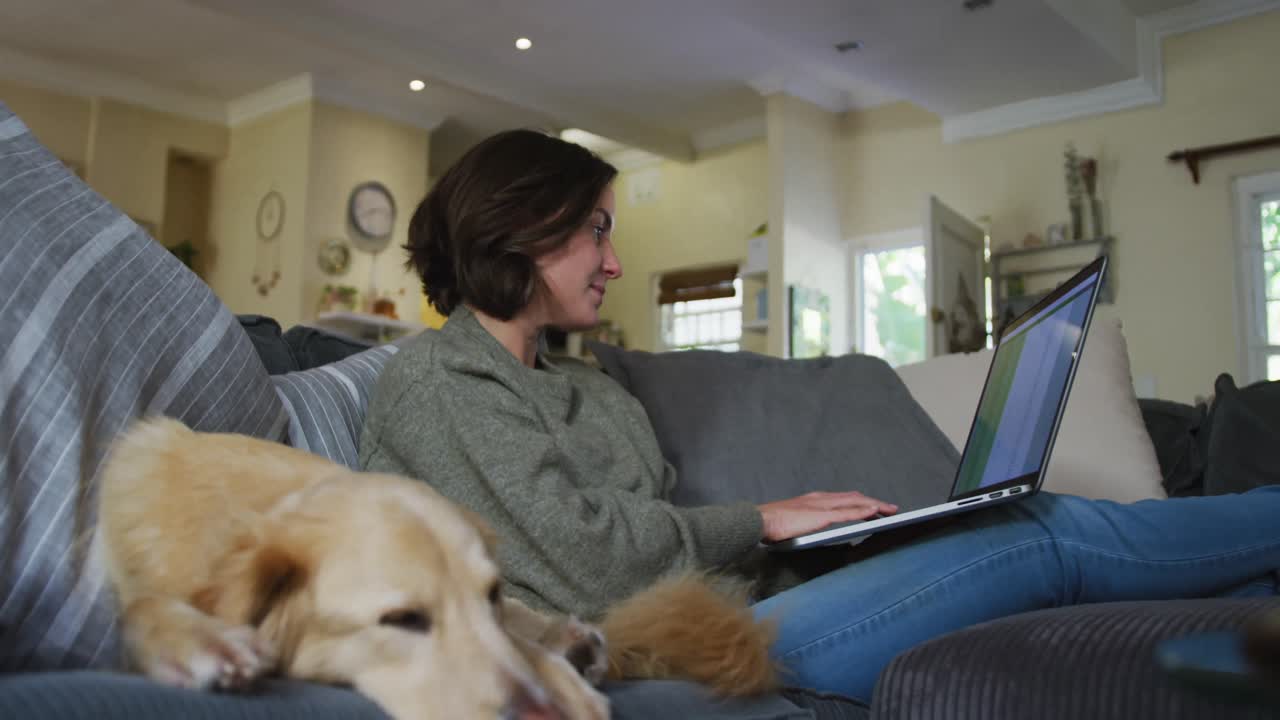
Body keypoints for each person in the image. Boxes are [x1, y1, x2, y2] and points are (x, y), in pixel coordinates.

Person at [359, 128, 1280, 703]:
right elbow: (590, 562)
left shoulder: (590, 385)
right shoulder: (441, 383)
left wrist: (820, 545)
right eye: (597, 228)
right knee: (1038, 533)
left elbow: (657, 531)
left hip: (749, 606)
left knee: (1024, 523)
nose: (614, 260)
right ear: (522, 229)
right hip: (662, 652)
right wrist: (761, 521)